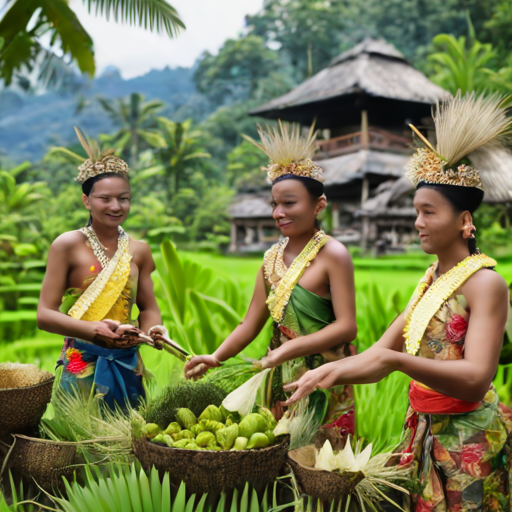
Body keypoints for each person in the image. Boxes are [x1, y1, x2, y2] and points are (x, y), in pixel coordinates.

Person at [282, 93, 512, 510]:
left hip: (468, 439)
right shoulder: (431, 280)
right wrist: (327, 373)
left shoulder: (485, 284)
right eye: (416, 211)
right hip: (423, 429)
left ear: (464, 221)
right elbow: (377, 354)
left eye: (429, 213)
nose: (418, 223)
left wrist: (396, 363)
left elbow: (477, 377)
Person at [185, 122, 357, 440]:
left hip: (324, 375)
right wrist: (215, 357)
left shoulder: (333, 254)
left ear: (319, 204)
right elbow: (250, 324)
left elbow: (346, 327)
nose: (278, 213)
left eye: (289, 204)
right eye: (274, 205)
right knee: (278, 455)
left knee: (322, 464)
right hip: (278, 376)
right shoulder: (270, 259)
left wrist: (289, 351)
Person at [37, 129, 166, 410]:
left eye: (124, 198)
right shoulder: (67, 245)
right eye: (104, 198)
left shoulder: (139, 250)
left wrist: (153, 329)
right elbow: (44, 315)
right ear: (86, 201)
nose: (116, 206)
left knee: (126, 444)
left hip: (128, 362)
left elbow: (148, 306)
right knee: (78, 446)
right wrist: (91, 330)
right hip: (81, 361)